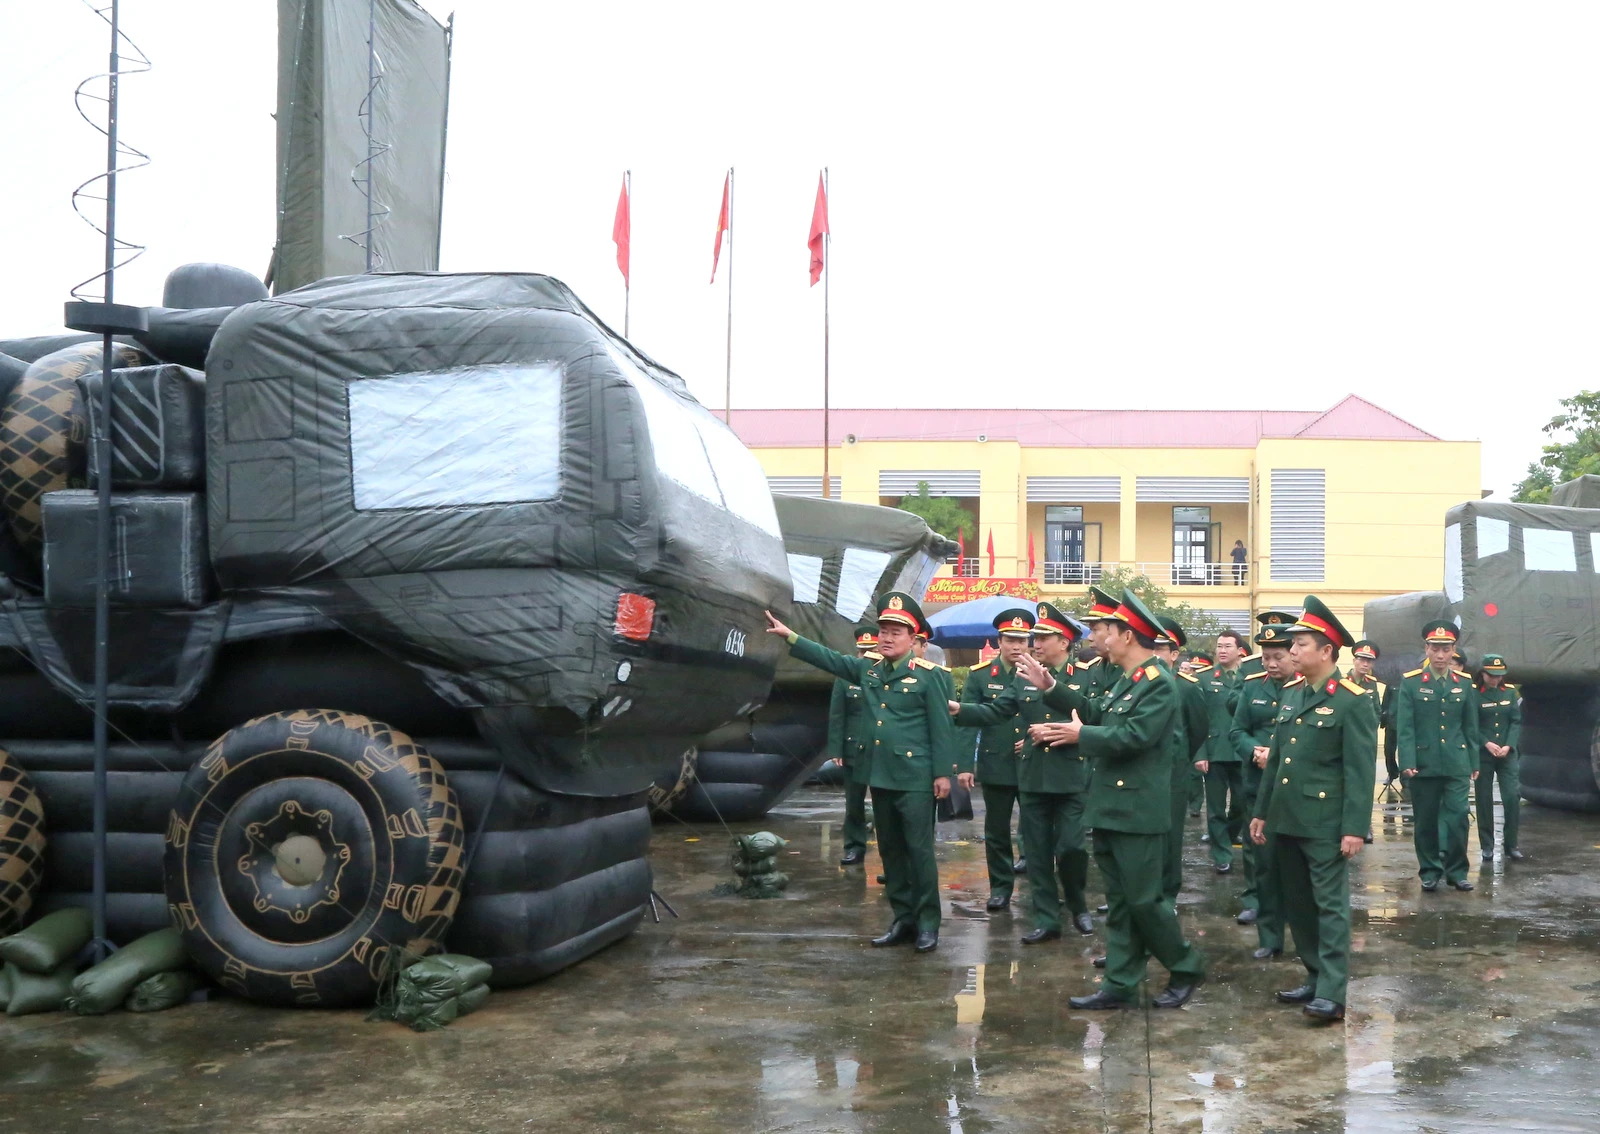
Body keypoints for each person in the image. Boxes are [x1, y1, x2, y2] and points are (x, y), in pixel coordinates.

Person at [1020, 589, 1207, 1010]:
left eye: (1103, 629)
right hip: (1112, 807)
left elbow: (1134, 736)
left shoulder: (1160, 684)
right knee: (1122, 901)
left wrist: (1078, 735)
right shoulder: (1129, 679)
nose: (1095, 635)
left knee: (1145, 899)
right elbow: (1096, 709)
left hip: (1139, 810)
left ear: (1126, 636)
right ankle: (1120, 982)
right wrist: (1052, 687)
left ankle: (1186, 964)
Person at [765, 592, 970, 952]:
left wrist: (943, 774)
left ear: (913, 638)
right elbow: (831, 660)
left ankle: (927, 924)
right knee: (890, 851)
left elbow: (942, 727)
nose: (887, 637)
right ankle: (902, 918)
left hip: (916, 778)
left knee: (919, 853)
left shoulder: (930, 676)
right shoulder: (869, 668)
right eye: (884, 631)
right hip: (881, 775)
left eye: (896, 631)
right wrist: (792, 637)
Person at [1248, 595, 1376, 1024]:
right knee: (1298, 904)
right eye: (1293, 644)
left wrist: (1355, 828)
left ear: (1326, 651)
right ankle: (1314, 974)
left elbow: (1360, 772)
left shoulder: (1353, 699)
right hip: (1286, 818)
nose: (1292, 651)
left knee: (1330, 907)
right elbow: (1278, 759)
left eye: (1301, 644)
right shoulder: (1292, 693)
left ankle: (1333, 993)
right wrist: (1261, 811)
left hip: (1324, 823)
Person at [954, 602, 1095, 941]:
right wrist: (959, 709)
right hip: (1033, 775)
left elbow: (1095, 719)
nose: (1036, 644)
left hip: (1071, 776)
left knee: (1072, 848)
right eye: (1037, 637)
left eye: (1044, 637)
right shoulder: (1023, 676)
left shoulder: (1087, 677)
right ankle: (1046, 919)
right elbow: (998, 711)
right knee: (1036, 850)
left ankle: (1077, 903)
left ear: (1065, 642)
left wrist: (1066, 731)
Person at [1395, 621, 1481, 892]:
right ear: (1427, 649)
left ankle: (1457, 871)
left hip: (1456, 761)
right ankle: (1430, 871)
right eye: (1436, 649)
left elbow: (1470, 726)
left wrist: (1474, 762)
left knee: (1458, 818)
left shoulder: (1464, 683)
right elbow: (1406, 727)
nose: (1441, 655)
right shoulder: (1411, 683)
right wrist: (1407, 762)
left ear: (1453, 650)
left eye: (1446, 649)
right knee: (1426, 821)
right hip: (1423, 763)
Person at [1230, 611, 1297, 957]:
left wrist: (1278, 754)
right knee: (1263, 859)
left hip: (1295, 788)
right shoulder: (1252, 685)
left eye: (1278, 657)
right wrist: (1252, 750)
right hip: (1257, 783)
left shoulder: (1304, 686)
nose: (1271, 663)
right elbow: (1236, 730)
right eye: (1266, 657)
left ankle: (1299, 927)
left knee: (1294, 863)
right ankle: (1269, 936)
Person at [960, 608, 1034, 910]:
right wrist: (964, 765)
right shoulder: (980, 676)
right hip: (996, 764)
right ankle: (1001, 887)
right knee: (997, 830)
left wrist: (1030, 738)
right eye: (1010, 640)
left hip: (1033, 764)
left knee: (1036, 829)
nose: (1016, 646)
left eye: (1022, 640)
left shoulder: (1039, 673)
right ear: (998, 641)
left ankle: (1039, 887)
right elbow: (967, 721)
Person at [1152, 616, 1210, 910]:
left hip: (1173, 775)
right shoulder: (1134, 681)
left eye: (1161, 648)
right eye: (1149, 646)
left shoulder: (1186, 687)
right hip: (1140, 775)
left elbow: (1198, 728)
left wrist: (1182, 758)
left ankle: (1167, 895)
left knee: (1170, 838)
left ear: (1174, 655)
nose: (1154, 654)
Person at [1194, 630, 1248, 871]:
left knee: (1241, 803)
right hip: (1214, 751)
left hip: (1242, 752)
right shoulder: (1204, 678)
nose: (1222, 650)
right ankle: (1222, 854)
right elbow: (1199, 719)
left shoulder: (1250, 677)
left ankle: (1228, 834)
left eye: (1228, 646)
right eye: (1219, 646)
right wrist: (1200, 753)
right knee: (1215, 807)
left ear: (1240, 651)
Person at [829, 624, 880, 866]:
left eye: (871, 650)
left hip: (881, 750)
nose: (865, 656)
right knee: (854, 803)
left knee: (886, 805)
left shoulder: (885, 675)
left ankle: (889, 854)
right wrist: (836, 749)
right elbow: (838, 715)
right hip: (853, 749)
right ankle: (854, 846)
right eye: (862, 651)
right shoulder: (845, 677)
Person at [1474, 653, 1524, 862]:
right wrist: (1486, 742)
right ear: (1483, 674)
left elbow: (1515, 721)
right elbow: (1471, 724)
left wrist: (1508, 745)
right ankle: (1487, 845)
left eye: (1499, 676)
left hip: (1507, 754)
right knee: (1483, 800)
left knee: (1512, 797)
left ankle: (1511, 844)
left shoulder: (1510, 693)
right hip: (1484, 754)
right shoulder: (1474, 694)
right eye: (1492, 676)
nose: (1496, 679)